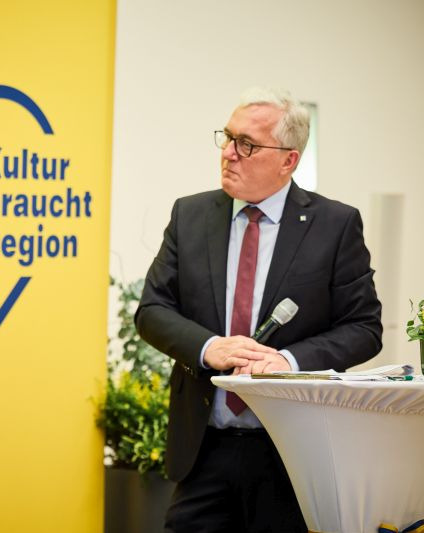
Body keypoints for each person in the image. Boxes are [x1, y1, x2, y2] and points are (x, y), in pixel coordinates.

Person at [136, 87, 382, 532]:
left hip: (289, 452)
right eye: (228, 137)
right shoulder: (190, 215)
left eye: (246, 144)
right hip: (204, 447)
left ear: (289, 160)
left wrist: (288, 361)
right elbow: (152, 310)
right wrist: (208, 347)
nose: (228, 153)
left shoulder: (334, 225)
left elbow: (364, 328)